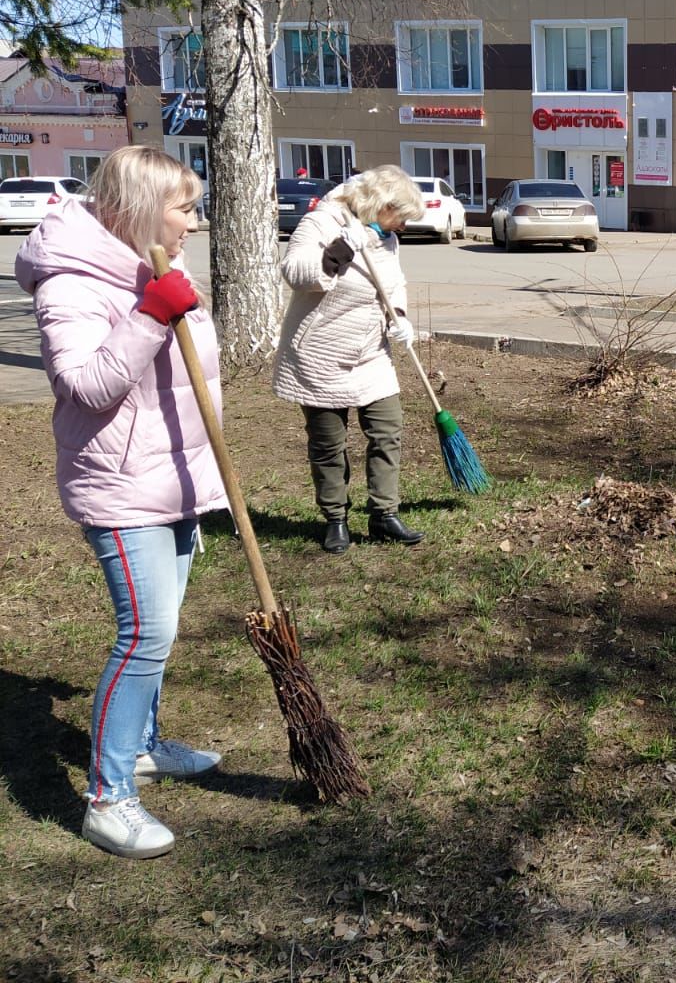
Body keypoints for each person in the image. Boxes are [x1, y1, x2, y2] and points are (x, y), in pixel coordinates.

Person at [16, 145, 226, 858]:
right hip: (121, 485)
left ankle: (141, 745)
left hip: (176, 476)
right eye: (185, 208)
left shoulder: (153, 263)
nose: (194, 223)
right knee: (145, 633)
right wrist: (149, 317)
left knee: (159, 633)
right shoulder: (70, 282)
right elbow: (87, 385)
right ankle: (109, 800)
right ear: (140, 210)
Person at [274, 165, 425, 553]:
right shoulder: (322, 221)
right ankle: (335, 519)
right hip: (320, 354)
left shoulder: (386, 236)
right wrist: (343, 246)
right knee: (328, 443)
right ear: (381, 204)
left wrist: (401, 318)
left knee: (387, 430)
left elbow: (395, 283)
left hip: (371, 354)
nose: (403, 227)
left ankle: (384, 515)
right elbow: (295, 272)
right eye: (401, 217)